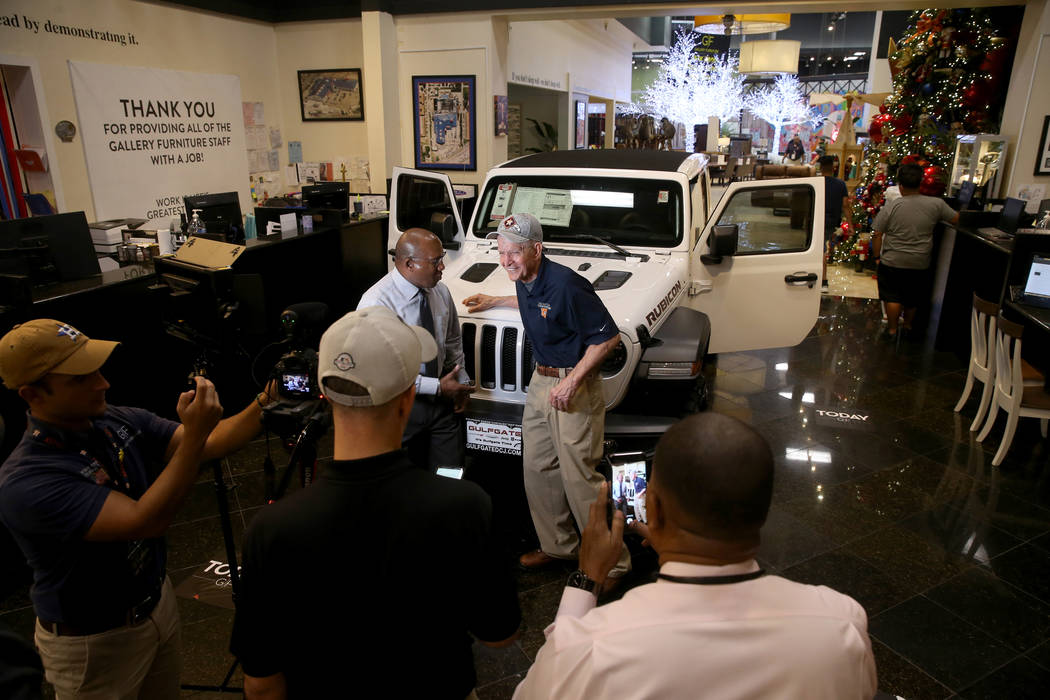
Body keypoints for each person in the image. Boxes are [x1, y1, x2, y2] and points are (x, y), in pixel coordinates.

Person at [230, 306, 521, 699]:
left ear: (326, 398)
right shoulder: (465, 505)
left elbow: (262, 684)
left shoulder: (271, 530)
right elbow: (500, 634)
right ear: (407, 400)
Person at [0, 319, 275, 699]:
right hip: (95, 643)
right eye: (80, 378)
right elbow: (145, 520)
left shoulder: (111, 418)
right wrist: (195, 434)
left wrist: (268, 400)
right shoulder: (29, 479)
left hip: (153, 605)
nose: (102, 383)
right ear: (32, 394)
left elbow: (208, 443)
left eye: (96, 369)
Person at [513, 413, 877, 699]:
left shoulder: (591, 647)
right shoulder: (841, 624)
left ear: (651, 509)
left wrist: (586, 580)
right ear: (763, 513)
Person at [462, 213, 629, 584]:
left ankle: (614, 563)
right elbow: (532, 303)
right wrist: (494, 300)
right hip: (541, 380)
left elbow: (607, 338)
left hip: (574, 383)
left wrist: (573, 383)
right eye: (501, 251)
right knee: (538, 469)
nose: (506, 260)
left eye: (514, 253)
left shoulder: (569, 286)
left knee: (578, 477)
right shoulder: (524, 276)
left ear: (537, 249)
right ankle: (559, 547)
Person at [357, 227, 474, 470]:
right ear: (409, 264)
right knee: (400, 479)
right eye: (436, 261)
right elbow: (379, 373)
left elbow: (452, 340)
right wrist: (437, 387)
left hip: (441, 402)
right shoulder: (377, 303)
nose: (442, 267)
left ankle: (445, 504)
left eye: (442, 258)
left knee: (450, 473)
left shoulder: (440, 291)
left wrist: (461, 382)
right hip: (396, 407)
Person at [872, 163, 959, 340]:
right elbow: (957, 219)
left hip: (893, 260)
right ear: (920, 183)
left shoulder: (893, 206)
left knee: (893, 296)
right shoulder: (936, 204)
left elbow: (877, 234)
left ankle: (892, 330)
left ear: (900, 186)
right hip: (920, 261)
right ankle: (909, 326)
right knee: (912, 297)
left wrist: (876, 257)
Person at [820, 154, 850, 291]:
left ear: (820, 168)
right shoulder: (840, 184)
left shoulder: (815, 182)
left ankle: (823, 281)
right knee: (824, 249)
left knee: (820, 251)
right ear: (833, 168)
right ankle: (823, 282)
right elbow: (845, 205)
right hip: (832, 221)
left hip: (816, 219)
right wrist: (850, 224)